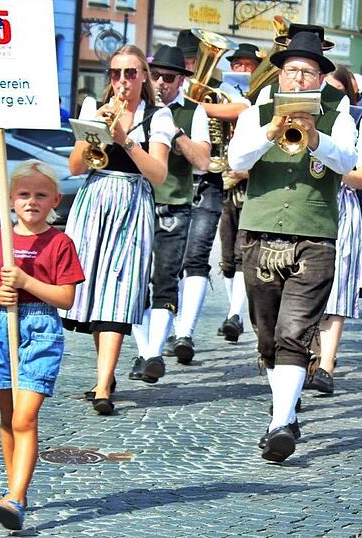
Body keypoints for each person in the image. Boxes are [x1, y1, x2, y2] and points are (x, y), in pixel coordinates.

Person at [227, 28, 357, 462]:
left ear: (319, 79)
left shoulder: (338, 115)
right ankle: (286, 408)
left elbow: (349, 161)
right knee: (267, 337)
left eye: (307, 73)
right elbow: (235, 161)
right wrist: (271, 131)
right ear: (279, 75)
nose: (298, 79)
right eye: (292, 71)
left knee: (293, 333)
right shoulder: (256, 113)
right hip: (260, 233)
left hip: (314, 236)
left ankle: (280, 423)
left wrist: (314, 136)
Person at [0, 161, 85, 531]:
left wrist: (25, 282)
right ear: (9, 199)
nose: (31, 201)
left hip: (40, 330)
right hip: (1, 327)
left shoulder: (60, 243)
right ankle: (13, 489)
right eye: (23, 194)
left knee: (25, 418)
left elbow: (66, 298)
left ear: (55, 200)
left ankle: (16, 498)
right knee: (8, 418)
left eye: (40, 195)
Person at [62, 44, 172, 415]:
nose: (122, 80)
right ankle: (104, 377)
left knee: (119, 289)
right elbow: (76, 167)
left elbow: (158, 174)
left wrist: (126, 139)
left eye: (130, 73)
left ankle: (103, 385)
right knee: (96, 290)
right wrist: (94, 129)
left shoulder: (157, 116)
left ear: (143, 77)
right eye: (115, 72)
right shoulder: (94, 106)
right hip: (94, 199)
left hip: (132, 200)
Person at [168, 34, 254, 360]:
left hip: (208, 180)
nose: (192, 65)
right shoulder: (166, 90)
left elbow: (243, 108)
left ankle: (185, 333)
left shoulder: (220, 88)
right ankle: (169, 327)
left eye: (195, 59)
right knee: (169, 262)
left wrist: (199, 108)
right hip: (171, 180)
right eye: (188, 60)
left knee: (196, 258)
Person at [128, 45, 212, 380]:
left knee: (165, 280)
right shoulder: (136, 108)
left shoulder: (194, 111)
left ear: (181, 81)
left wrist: (174, 131)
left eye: (169, 77)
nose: (161, 82)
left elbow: (203, 162)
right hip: (136, 203)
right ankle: (145, 352)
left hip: (173, 206)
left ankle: (153, 352)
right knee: (133, 282)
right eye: (156, 75)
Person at [306, 66, 362, 394]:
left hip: (343, 206)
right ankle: (310, 356)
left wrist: (329, 168)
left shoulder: (360, 121)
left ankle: (327, 364)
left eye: (336, 89)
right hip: (309, 203)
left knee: (339, 284)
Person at [218, 43, 261, 342]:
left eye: (247, 65)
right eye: (237, 65)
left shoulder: (258, 101)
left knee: (242, 253)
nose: (242, 70)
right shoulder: (221, 96)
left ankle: (235, 314)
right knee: (226, 256)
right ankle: (233, 312)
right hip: (224, 183)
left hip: (250, 186)